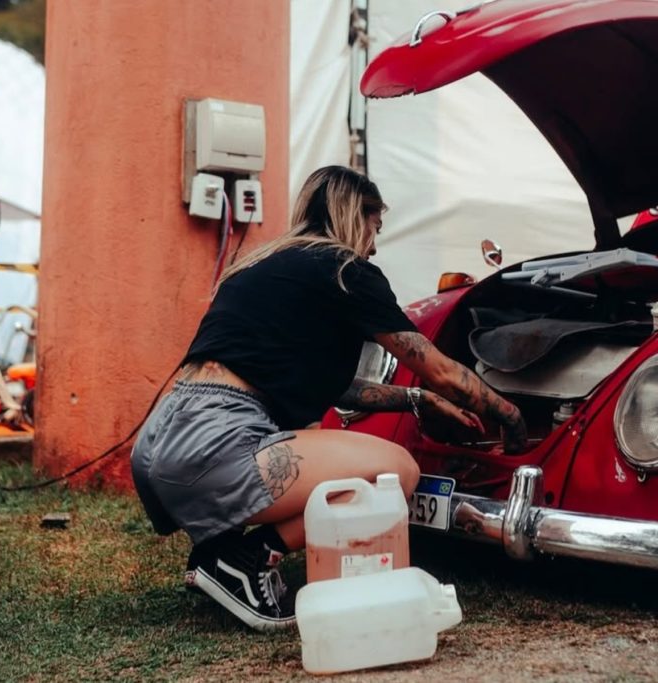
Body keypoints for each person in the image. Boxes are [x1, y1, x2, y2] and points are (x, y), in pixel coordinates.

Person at [130, 166, 527, 631]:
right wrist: (512, 417)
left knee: (323, 449)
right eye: (375, 228)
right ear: (354, 217)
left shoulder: (263, 265)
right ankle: (248, 557)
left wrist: (415, 400)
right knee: (399, 471)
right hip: (215, 443)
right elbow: (441, 369)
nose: (375, 244)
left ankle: (219, 554)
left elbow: (328, 386)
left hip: (160, 439)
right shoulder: (346, 272)